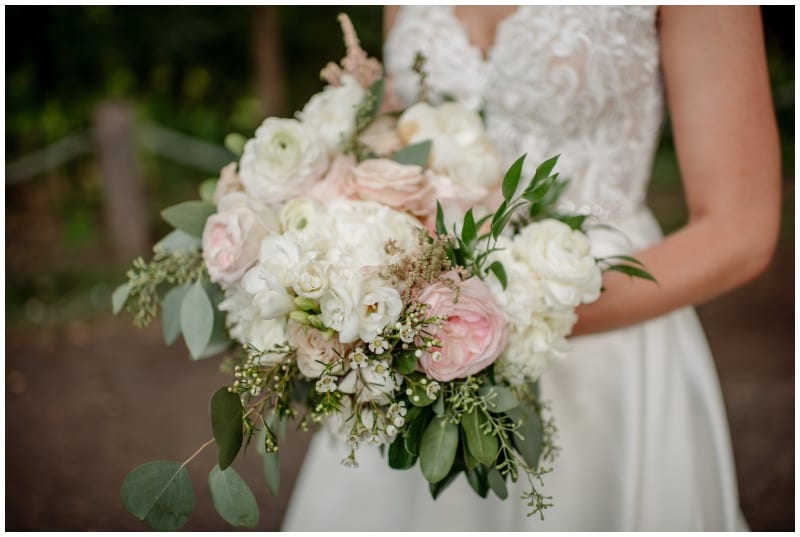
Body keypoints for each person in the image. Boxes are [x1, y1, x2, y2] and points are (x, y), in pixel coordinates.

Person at [282, 5, 780, 531]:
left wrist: (493, 318)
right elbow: (401, 141)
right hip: (420, 351)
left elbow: (740, 230)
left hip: (602, 338)